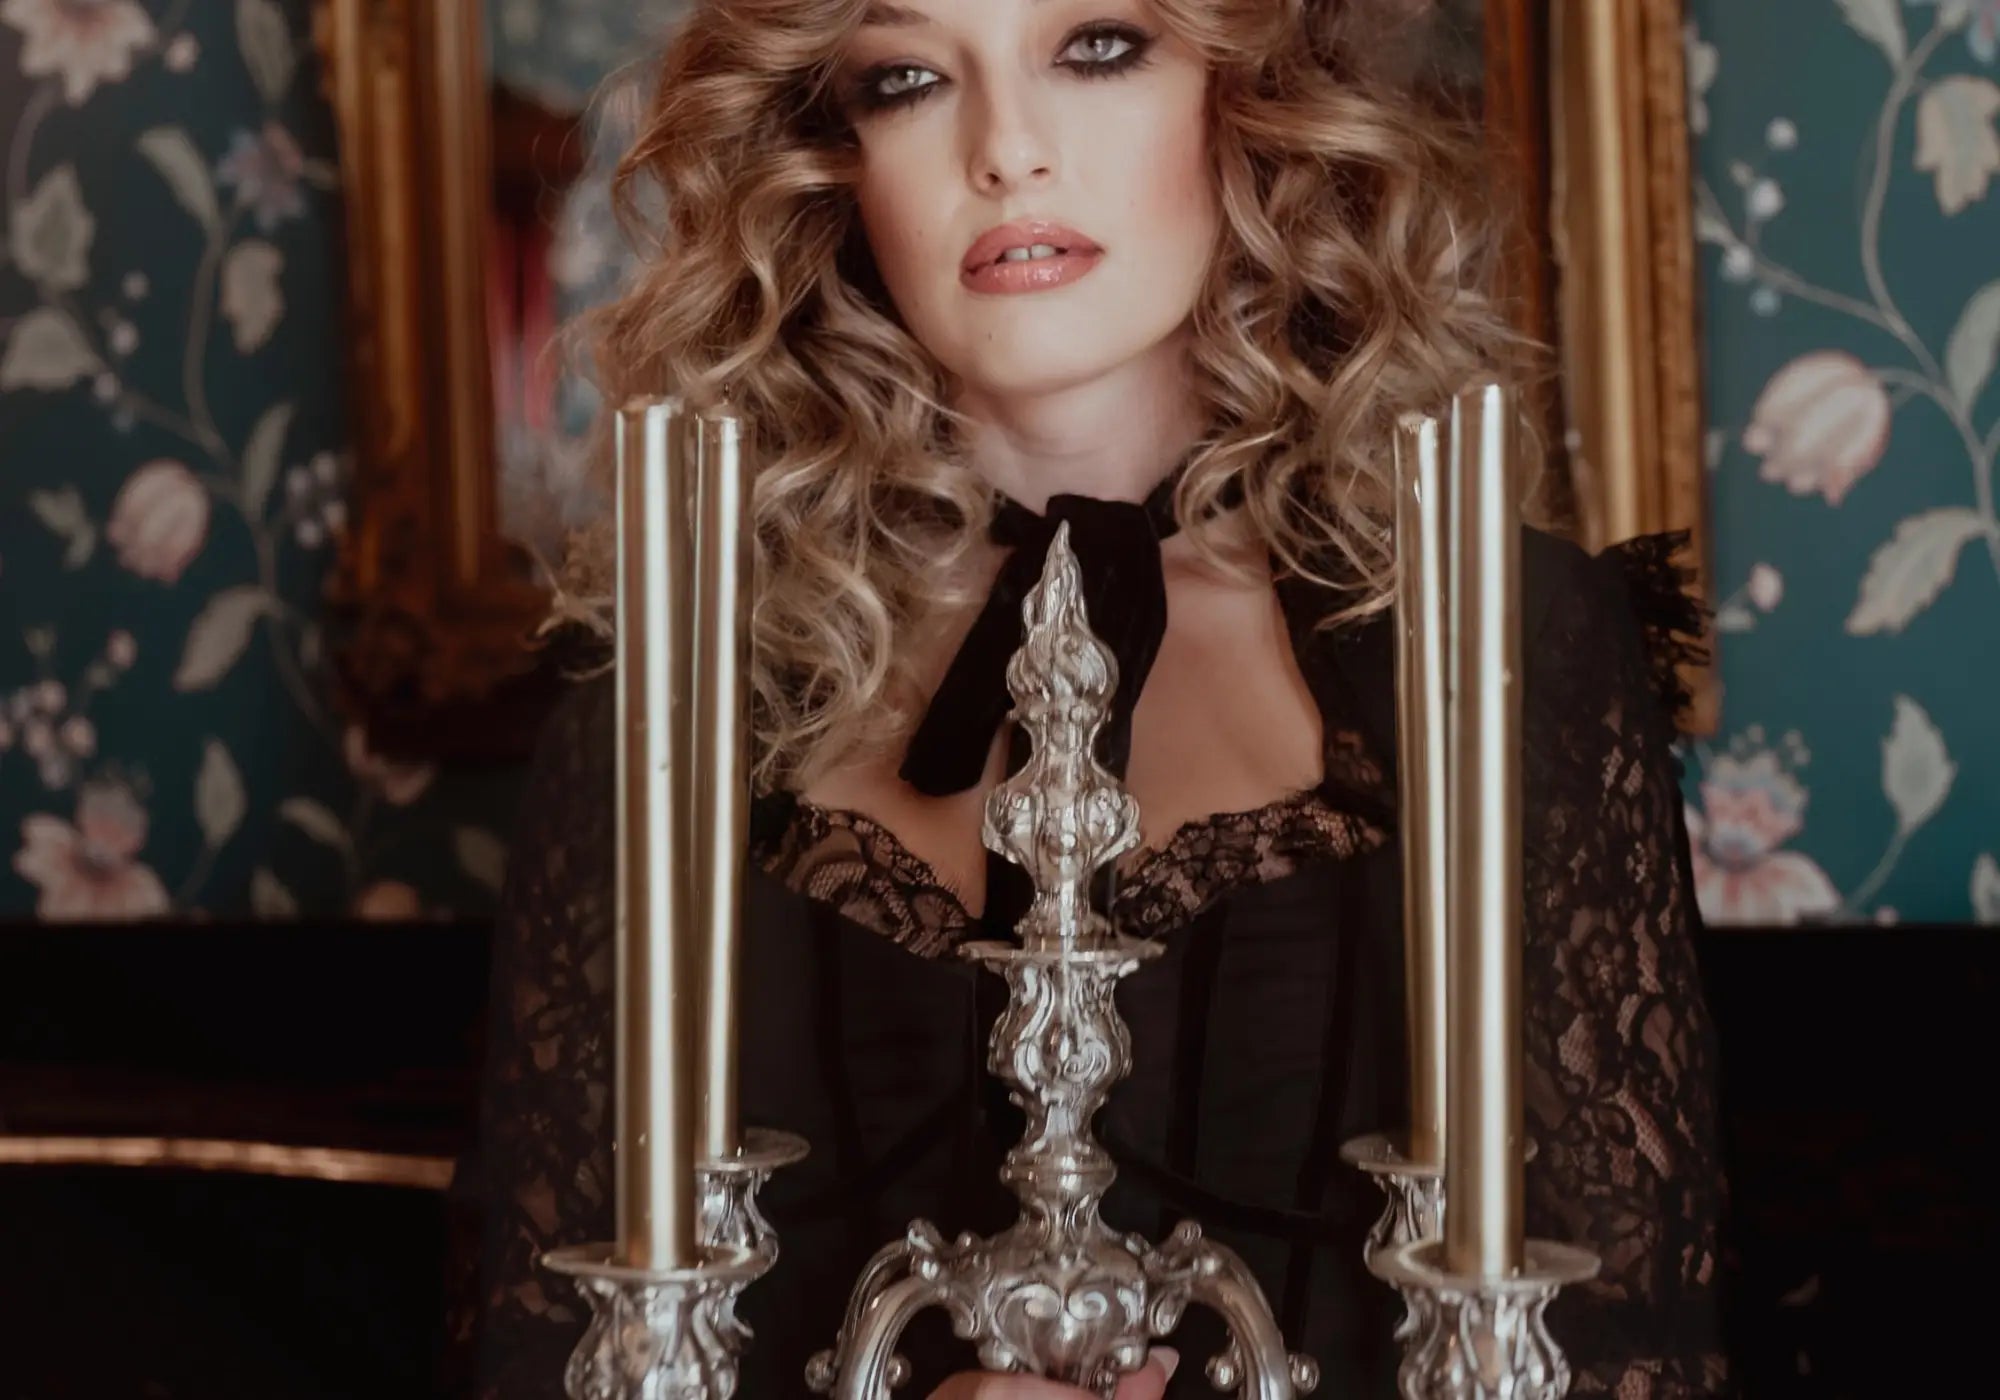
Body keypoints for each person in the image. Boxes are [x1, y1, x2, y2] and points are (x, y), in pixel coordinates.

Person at [448, 1, 1730, 1396]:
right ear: (830, 152)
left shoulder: (1506, 653)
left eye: (1099, 45)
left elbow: (1628, 1354)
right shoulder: (669, 715)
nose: (1008, 152)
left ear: (1251, 90)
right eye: (911, 77)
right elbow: (540, 1357)